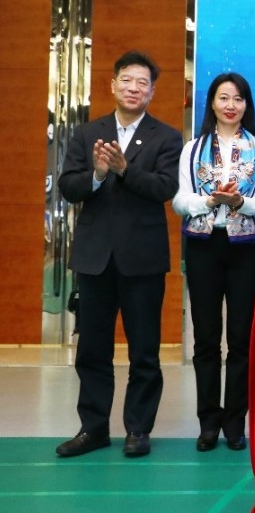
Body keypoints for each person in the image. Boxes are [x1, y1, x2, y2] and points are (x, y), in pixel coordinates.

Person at [56, 50, 182, 458]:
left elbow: (164, 189)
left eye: (142, 83)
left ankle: (138, 429)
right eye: (126, 80)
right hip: (95, 258)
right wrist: (96, 174)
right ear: (112, 85)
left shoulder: (167, 137)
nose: (133, 88)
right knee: (92, 349)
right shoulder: (87, 133)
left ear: (152, 92)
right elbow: (68, 187)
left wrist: (125, 169)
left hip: (143, 259)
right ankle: (92, 429)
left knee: (144, 350)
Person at [172, 72, 255, 452]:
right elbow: (180, 202)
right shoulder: (193, 147)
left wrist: (239, 202)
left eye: (238, 99)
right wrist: (210, 201)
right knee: (206, 338)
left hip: (245, 248)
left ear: (247, 105)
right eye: (223, 98)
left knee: (241, 339)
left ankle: (234, 424)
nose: (231, 105)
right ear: (212, 103)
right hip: (203, 246)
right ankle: (208, 423)